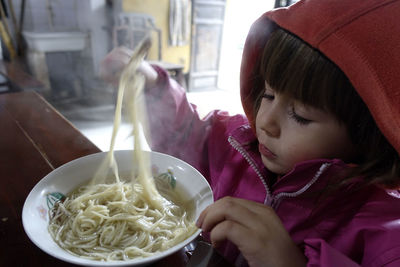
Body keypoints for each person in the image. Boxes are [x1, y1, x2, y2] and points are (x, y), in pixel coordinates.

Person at [100, 0, 400, 266]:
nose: (265, 122)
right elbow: (188, 132)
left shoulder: (381, 226)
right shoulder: (237, 141)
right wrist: (153, 86)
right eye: (268, 94)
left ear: (368, 134)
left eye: (300, 115)